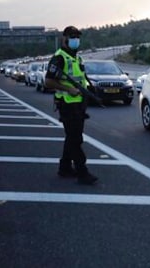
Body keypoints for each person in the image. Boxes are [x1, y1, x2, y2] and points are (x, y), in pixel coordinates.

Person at [45, 26, 98, 185]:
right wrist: (68, 89)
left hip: (79, 104)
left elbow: (81, 78)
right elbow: (48, 82)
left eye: (77, 37)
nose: (76, 39)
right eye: (72, 36)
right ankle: (82, 172)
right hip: (67, 104)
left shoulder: (76, 58)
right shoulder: (59, 57)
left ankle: (65, 167)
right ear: (65, 38)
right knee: (76, 139)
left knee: (72, 137)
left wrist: (90, 91)